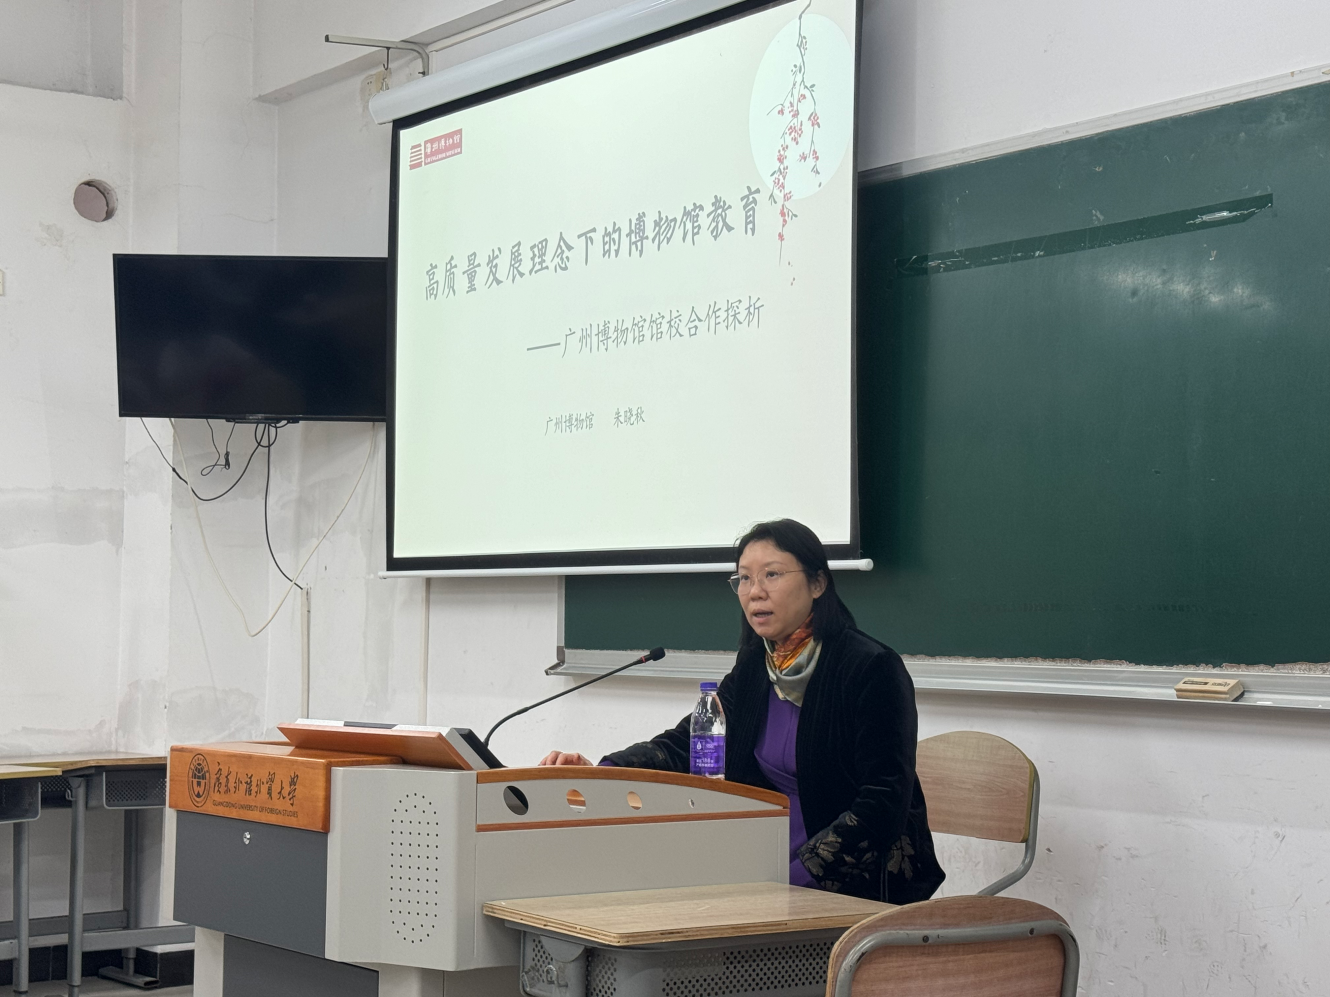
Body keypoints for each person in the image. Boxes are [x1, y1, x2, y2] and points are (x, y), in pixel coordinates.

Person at [539, 518, 945, 904]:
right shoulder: (756, 664)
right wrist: (603, 775)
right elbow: (690, 744)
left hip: (853, 883)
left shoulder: (870, 669)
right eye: (744, 578)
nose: (755, 592)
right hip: (760, 863)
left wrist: (792, 880)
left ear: (818, 583)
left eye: (772, 575)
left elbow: (882, 803)